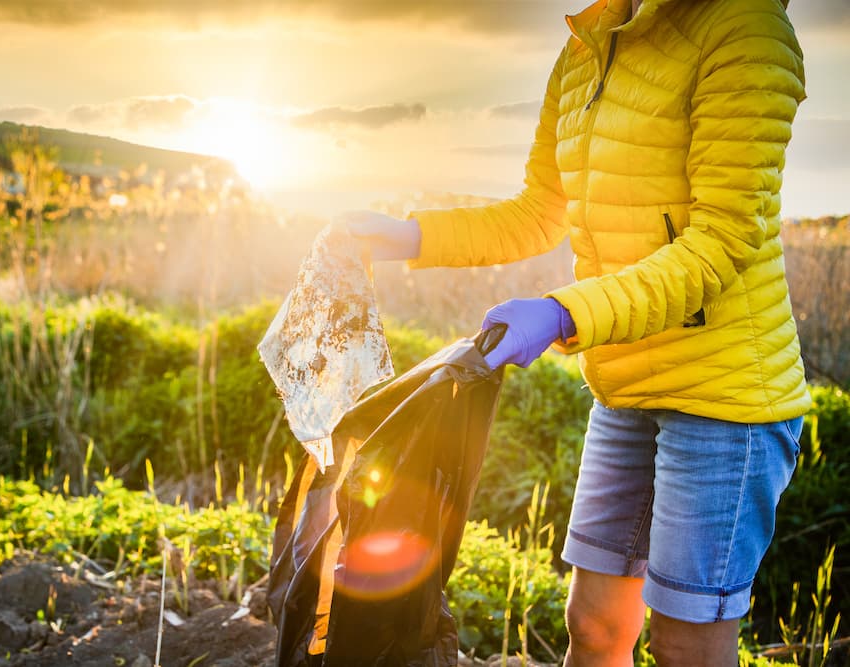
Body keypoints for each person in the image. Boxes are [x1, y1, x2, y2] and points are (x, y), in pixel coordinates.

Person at [343, 0, 810, 665]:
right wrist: (412, 235)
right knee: (593, 625)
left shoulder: (746, 29)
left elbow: (722, 240)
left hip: (724, 398)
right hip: (625, 383)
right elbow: (540, 209)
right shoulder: (589, 44)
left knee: (684, 643)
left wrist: (564, 312)